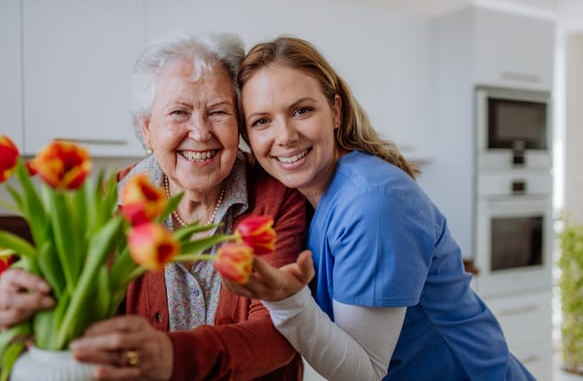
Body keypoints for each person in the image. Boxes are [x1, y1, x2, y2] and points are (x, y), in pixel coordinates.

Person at [0, 32, 307, 380]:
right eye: (179, 112)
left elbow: (281, 330)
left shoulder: (278, 198)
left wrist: (173, 355)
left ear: (238, 125)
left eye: (218, 112)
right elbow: (77, 308)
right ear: (147, 130)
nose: (199, 132)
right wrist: (32, 303)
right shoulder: (110, 202)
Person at [223, 36, 536, 381]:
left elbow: (365, 372)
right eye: (262, 121)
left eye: (301, 111)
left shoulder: (371, 204)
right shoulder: (307, 196)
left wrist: (286, 300)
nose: (284, 136)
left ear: (336, 112)